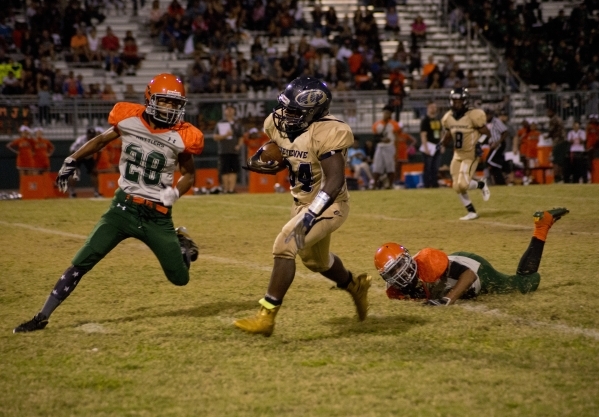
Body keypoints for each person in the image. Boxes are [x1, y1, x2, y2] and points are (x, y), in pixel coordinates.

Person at [13, 73, 205, 333]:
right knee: (83, 259)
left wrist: (176, 193)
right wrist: (72, 159)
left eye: (175, 104)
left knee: (180, 279)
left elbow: (189, 174)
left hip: (157, 216)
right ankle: (42, 316)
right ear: (150, 99)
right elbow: (101, 140)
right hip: (123, 208)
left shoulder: (183, 135)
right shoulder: (129, 119)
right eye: (165, 102)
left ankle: (180, 240)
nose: (170, 109)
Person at [234, 76, 371, 337]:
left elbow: (335, 181)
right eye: (287, 108)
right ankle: (355, 285)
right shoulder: (277, 123)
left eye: (295, 111)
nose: (286, 115)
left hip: (329, 204)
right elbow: (293, 153)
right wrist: (274, 162)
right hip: (301, 202)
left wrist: (311, 214)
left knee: (286, 243)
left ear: (314, 111)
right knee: (316, 262)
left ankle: (266, 316)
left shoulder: (330, 131)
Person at [374, 208, 569, 305]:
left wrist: (447, 300)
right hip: (453, 267)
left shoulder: (427, 260)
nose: (400, 274)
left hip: (473, 268)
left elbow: (469, 274)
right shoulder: (395, 292)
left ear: (408, 258)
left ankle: (542, 226)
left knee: (522, 285)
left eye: (400, 265)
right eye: (393, 271)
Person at [440, 88, 491, 220]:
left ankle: (481, 184)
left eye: (459, 101)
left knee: (463, 184)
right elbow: (447, 134)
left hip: (470, 154)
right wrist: (443, 143)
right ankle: (471, 212)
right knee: (456, 186)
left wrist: (479, 143)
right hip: (457, 155)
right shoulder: (448, 118)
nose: (456, 104)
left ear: (465, 101)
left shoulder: (473, 115)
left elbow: (487, 133)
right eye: (454, 101)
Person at [214, 104, 244, 194]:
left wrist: (239, 145)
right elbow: (215, 137)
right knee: (224, 171)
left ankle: (231, 189)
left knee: (233, 170)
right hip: (224, 151)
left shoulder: (237, 124)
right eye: (228, 109)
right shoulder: (220, 123)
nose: (230, 111)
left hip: (234, 151)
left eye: (231, 109)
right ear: (225, 111)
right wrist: (225, 135)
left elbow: (241, 137)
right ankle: (226, 189)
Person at [371, 104, 401, 189]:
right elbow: (375, 138)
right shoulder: (377, 124)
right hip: (380, 146)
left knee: (390, 166)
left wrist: (396, 151)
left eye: (388, 113)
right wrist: (382, 140)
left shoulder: (394, 124)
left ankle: (390, 184)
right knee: (377, 166)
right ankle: (374, 185)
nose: (386, 115)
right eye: (385, 113)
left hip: (390, 147)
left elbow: (396, 138)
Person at [68, 126, 103, 198]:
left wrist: (95, 164)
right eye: (90, 136)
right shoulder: (80, 140)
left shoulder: (96, 140)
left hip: (89, 157)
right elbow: (72, 149)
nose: (91, 138)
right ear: (87, 135)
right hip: (79, 156)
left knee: (94, 173)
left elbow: (99, 152)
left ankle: (96, 192)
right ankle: (72, 192)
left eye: (93, 136)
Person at [419, 101, 442, 188]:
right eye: (432, 107)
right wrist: (426, 148)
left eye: (435, 107)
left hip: (437, 145)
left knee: (435, 167)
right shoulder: (425, 121)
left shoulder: (438, 120)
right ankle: (427, 184)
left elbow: (440, 133)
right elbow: (423, 135)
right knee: (428, 167)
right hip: (429, 146)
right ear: (428, 108)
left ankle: (434, 183)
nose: (433, 109)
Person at [485, 109, 509, 185]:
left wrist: (498, 142)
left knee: (489, 161)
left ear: (491, 114)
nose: (486, 117)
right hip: (493, 144)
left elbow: (505, 132)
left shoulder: (496, 121)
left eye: (487, 115)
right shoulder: (486, 123)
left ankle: (505, 167)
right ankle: (500, 181)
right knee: (492, 163)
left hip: (499, 144)